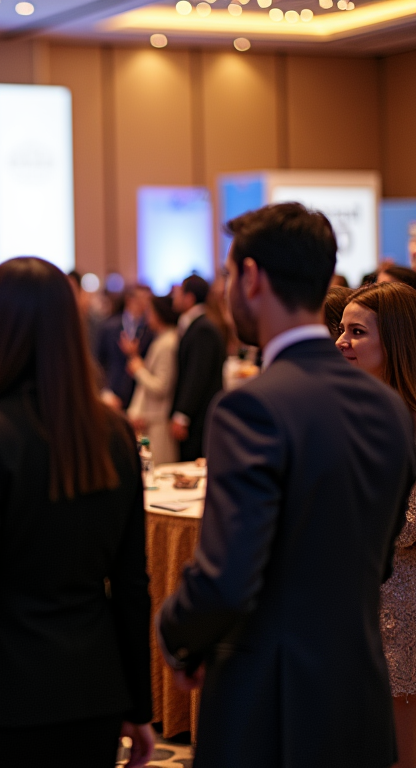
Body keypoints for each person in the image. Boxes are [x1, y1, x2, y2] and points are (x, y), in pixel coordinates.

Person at [158, 203, 416, 768]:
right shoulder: (390, 409)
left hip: (271, 702)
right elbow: (379, 554)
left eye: (229, 275)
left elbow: (227, 576)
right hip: (360, 690)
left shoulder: (251, 407)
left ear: (250, 278)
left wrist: (178, 634)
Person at [0, 258, 153, 768]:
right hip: (94, 695)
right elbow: (132, 587)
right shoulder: (114, 432)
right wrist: (139, 705)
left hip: (1, 702)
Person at [336, 280, 416, 768]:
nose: (341, 342)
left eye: (357, 332)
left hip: (401, 611)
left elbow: (407, 526)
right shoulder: (352, 412)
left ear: (397, 342)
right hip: (350, 610)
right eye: (340, 330)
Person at [169, 274, 225, 461]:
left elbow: (196, 375)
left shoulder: (203, 329)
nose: (174, 297)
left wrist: (182, 415)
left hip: (199, 417)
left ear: (189, 297)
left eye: (178, 293)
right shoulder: (197, 325)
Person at [122, 293, 180, 465]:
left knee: (159, 472)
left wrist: (139, 370)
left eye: (150, 312)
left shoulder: (168, 343)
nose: (147, 317)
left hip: (158, 421)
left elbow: (161, 386)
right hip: (151, 418)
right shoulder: (161, 340)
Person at [95, 284, 154, 410]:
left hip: (140, 394)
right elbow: (98, 361)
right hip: (112, 391)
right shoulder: (109, 326)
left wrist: (134, 354)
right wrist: (104, 390)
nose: (144, 304)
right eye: (141, 299)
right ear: (129, 299)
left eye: (148, 300)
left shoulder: (151, 329)